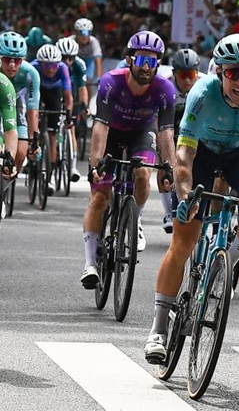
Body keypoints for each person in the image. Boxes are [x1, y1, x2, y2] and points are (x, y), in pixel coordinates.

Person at [144, 34, 239, 364]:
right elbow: (184, 155)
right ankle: (157, 329)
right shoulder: (202, 93)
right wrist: (185, 196)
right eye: (232, 72)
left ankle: (230, 259)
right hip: (203, 154)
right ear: (220, 72)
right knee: (183, 241)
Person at [81, 31, 176, 288]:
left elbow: (167, 133)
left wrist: (170, 167)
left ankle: (136, 218)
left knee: (143, 173)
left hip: (141, 134)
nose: (147, 67)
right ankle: (90, 264)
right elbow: (99, 127)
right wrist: (95, 164)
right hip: (111, 133)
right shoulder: (111, 82)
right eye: (142, 60)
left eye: (153, 61)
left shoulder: (166, 89)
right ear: (129, 60)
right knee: (99, 197)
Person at [156, 48, 203, 233]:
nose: (187, 80)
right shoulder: (164, 83)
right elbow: (157, 121)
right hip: (170, 122)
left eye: (191, 74)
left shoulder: (204, 83)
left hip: (193, 124)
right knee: (164, 160)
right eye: (182, 75)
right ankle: (169, 212)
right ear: (174, 73)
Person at [0, 31, 39, 176]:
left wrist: (34, 141)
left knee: (21, 152)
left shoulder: (30, 73)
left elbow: (32, 109)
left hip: (16, 104)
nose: (12, 65)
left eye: (18, 60)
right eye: (7, 59)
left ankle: (5, 185)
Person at [32, 44, 72, 194]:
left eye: (54, 65)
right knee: (34, 121)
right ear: (40, 63)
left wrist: (68, 115)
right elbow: (27, 95)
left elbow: (68, 97)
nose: (50, 69)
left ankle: (49, 175)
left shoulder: (63, 68)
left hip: (55, 92)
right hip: (38, 90)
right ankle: (32, 153)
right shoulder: (33, 67)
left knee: (53, 134)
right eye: (47, 65)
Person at [56, 37, 88, 181]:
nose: (67, 61)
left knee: (71, 128)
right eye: (64, 58)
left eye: (70, 58)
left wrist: (84, 105)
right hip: (55, 93)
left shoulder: (79, 65)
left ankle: (73, 166)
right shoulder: (53, 64)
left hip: (72, 94)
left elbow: (82, 88)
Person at [74, 18, 104, 84]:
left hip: (89, 61)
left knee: (87, 80)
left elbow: (98, 61)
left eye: (87, 32)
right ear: (76, 33)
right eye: (81, 33)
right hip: (76, 61)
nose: (84, 36)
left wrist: (99, 78)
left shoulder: (94, 41)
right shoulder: (71, 40)